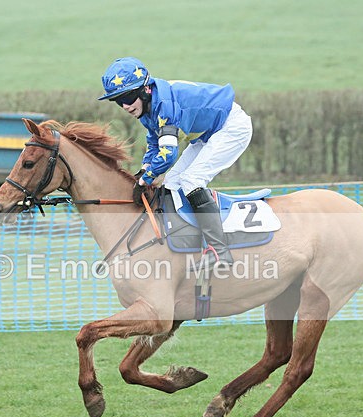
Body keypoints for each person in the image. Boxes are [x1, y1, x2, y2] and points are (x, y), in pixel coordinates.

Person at [98, 57, 253, 266]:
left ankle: (219, 251)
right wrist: (143, 172)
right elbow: (154, 144)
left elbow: (168, 153)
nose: (125, 106)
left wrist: (147, 179)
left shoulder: (164, 105)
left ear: (145, 90)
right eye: (118, 101)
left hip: (231, 127)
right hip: (207, 134)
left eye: (128, 97)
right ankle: (188, 243)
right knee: (172, 181)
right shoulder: (147, 108)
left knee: (192, 180)